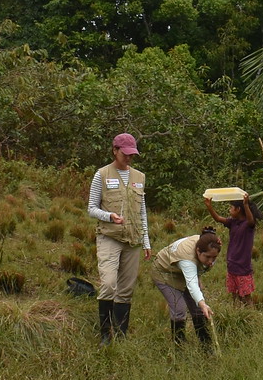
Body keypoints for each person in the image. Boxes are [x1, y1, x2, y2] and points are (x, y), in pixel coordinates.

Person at [87, 132, 150, 343]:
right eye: (125, 154)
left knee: (126, 289)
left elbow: (142, 212)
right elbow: (91, 208)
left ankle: (121, 334)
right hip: (109, 237)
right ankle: (105, 334)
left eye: (132, 155)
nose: (129, 158)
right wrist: (109, 216)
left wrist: (146, 241)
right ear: (115, 151)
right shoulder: (102, 174)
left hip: (133, 239)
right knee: (108, 284)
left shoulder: (139, 177)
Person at [150, 228, 221, 346]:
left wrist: (200, 302)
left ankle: (206, 345)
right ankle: (179, 346)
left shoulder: (207, 243)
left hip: (182, 272)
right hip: (164, 272)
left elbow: (194, 274)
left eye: (214, 258)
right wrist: (203, 303)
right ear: (198, 251)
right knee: (179, 308)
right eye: (208, 257)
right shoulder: (187, 259)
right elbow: (192, 284)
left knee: (198, 309)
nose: (211, 261)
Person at [206, 193, 259, 303]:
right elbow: (218, 219)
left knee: (246, 295)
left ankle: (249, 310)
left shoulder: (248, 225)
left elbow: (251, 221)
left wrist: (246, 205)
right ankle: (236, 309)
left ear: (238, 209)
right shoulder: (232, 222)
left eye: (231, 207)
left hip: (243, 266)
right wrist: (209, 207)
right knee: (234, 294)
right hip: (232, 264)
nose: (229, 210)